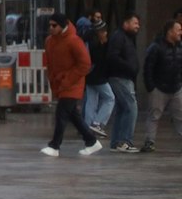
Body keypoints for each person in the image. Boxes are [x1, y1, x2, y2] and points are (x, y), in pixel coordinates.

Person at [42, 14, 105, 157]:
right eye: (50, 25)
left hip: (72, 84)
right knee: (73, 115)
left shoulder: (74, 41)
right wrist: (54, 80)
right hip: (62, 83)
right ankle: (91, 141)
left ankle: (55, 145)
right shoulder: (50, 41)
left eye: (54, 25)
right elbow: (50, 63)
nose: (51, 28)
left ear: (62, 26)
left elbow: (85, 64)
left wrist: (68, 79)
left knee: (62, 113)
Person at [96, 14, 142, 154]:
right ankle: (124, 141)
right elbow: (112, 56)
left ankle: (117, 142)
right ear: (125, 23)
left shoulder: (126, 38)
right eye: (135, 23)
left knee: (122, 109)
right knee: (131, 107)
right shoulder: (119, 37)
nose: (137, 26)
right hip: (119, 77)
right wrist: (129, 67)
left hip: (125, 77)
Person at [138, 20, 182, 151]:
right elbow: (148, 68)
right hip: (159, 88)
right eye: (178, 30)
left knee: (180, 116)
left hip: (176, 87)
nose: (180, 32)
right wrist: (151, 87)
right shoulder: (156, 47)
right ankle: (149, 142)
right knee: (154, 115)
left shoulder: (180, 47)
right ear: (170, 31)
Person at [82, 17, 113, 138]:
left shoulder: (87, 40)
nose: (106, 34)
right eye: (104, 31)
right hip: (98, 75)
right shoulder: (97, 43)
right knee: (110, 98)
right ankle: (98, 123)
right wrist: (104, 45)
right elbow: (100, 59)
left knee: (91, 101)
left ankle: (88, 127)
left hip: (88, 74)